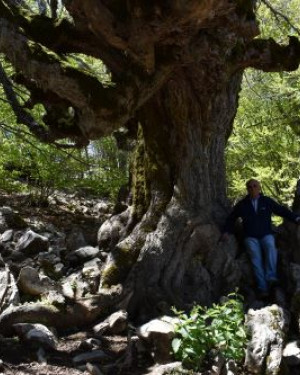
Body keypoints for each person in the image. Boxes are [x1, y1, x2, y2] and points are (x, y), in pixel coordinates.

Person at [222, 178, 300, 298]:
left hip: (266, 234)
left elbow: (281, 210)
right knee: (255, 259)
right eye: (250, 187)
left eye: (255, 186)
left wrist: (296, 218)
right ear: (247, 189)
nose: (252, 188)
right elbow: (231, 218)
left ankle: (271, 278)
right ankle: (262, 287)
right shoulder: (242, 204)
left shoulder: (266, 201)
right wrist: (227, 231)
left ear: (259, 188)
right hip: (250, 236)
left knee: (270, 248)